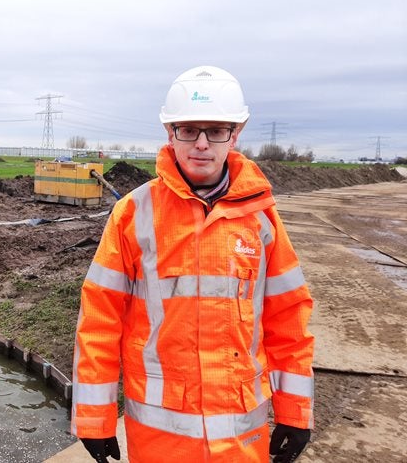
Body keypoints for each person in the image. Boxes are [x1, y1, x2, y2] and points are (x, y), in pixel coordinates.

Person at [71, 66, 314, 462]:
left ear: (236, 133)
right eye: (189, 130)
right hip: (160, 440)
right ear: (170, 132)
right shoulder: (133, 214)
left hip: (240, 439)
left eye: (216, 130)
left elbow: (287, 319)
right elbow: (100, 320)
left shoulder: (262, 220)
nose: (201, 144)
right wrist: (94, 419)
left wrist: (295, 412)